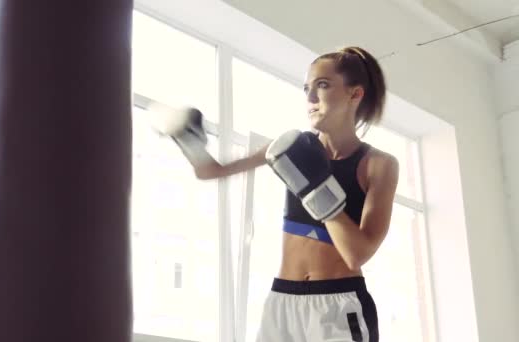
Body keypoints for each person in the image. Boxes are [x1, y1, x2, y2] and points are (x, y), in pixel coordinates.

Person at [153, 46, 399, 342]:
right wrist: (187, 138)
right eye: (306, 88)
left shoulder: (379, 164)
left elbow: (358, 253)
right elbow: (211, 171)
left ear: (354, 94)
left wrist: (317, 190)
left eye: (322, 86)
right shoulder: (289, 147)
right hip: (282, 301)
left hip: (338, 304)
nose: (310, 98)